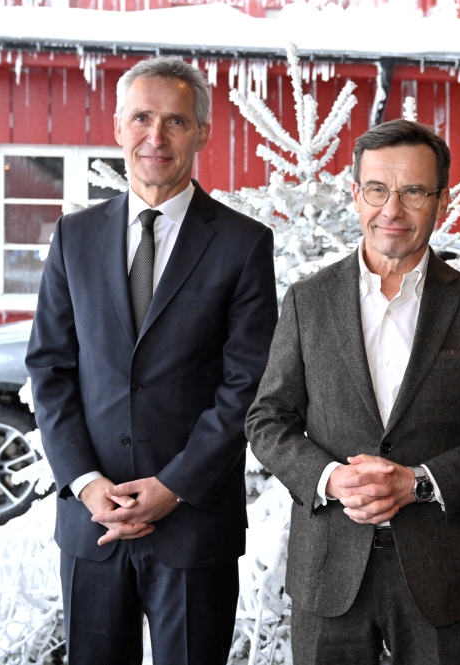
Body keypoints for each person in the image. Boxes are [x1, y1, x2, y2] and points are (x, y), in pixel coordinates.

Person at [246, 119, 460, 665]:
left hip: (438, 575)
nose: (392, 210)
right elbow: (268, 420)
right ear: (356, 194)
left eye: (413, 191)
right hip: (329, 571)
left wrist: (419, 484)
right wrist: (330, 478)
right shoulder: (309, 302)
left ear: (441, 200)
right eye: (377, 189)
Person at [25, 57, 278, 663]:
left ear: (203, 132)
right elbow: (51, 370)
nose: (156, 137)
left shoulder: (243, 245)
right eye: (141, 118)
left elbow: (247, 384)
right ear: (118, 127)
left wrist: (172, 487)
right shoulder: (73, 236)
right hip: (93, 524)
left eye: (175, 121)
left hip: (193, 526)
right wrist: (86, 485)